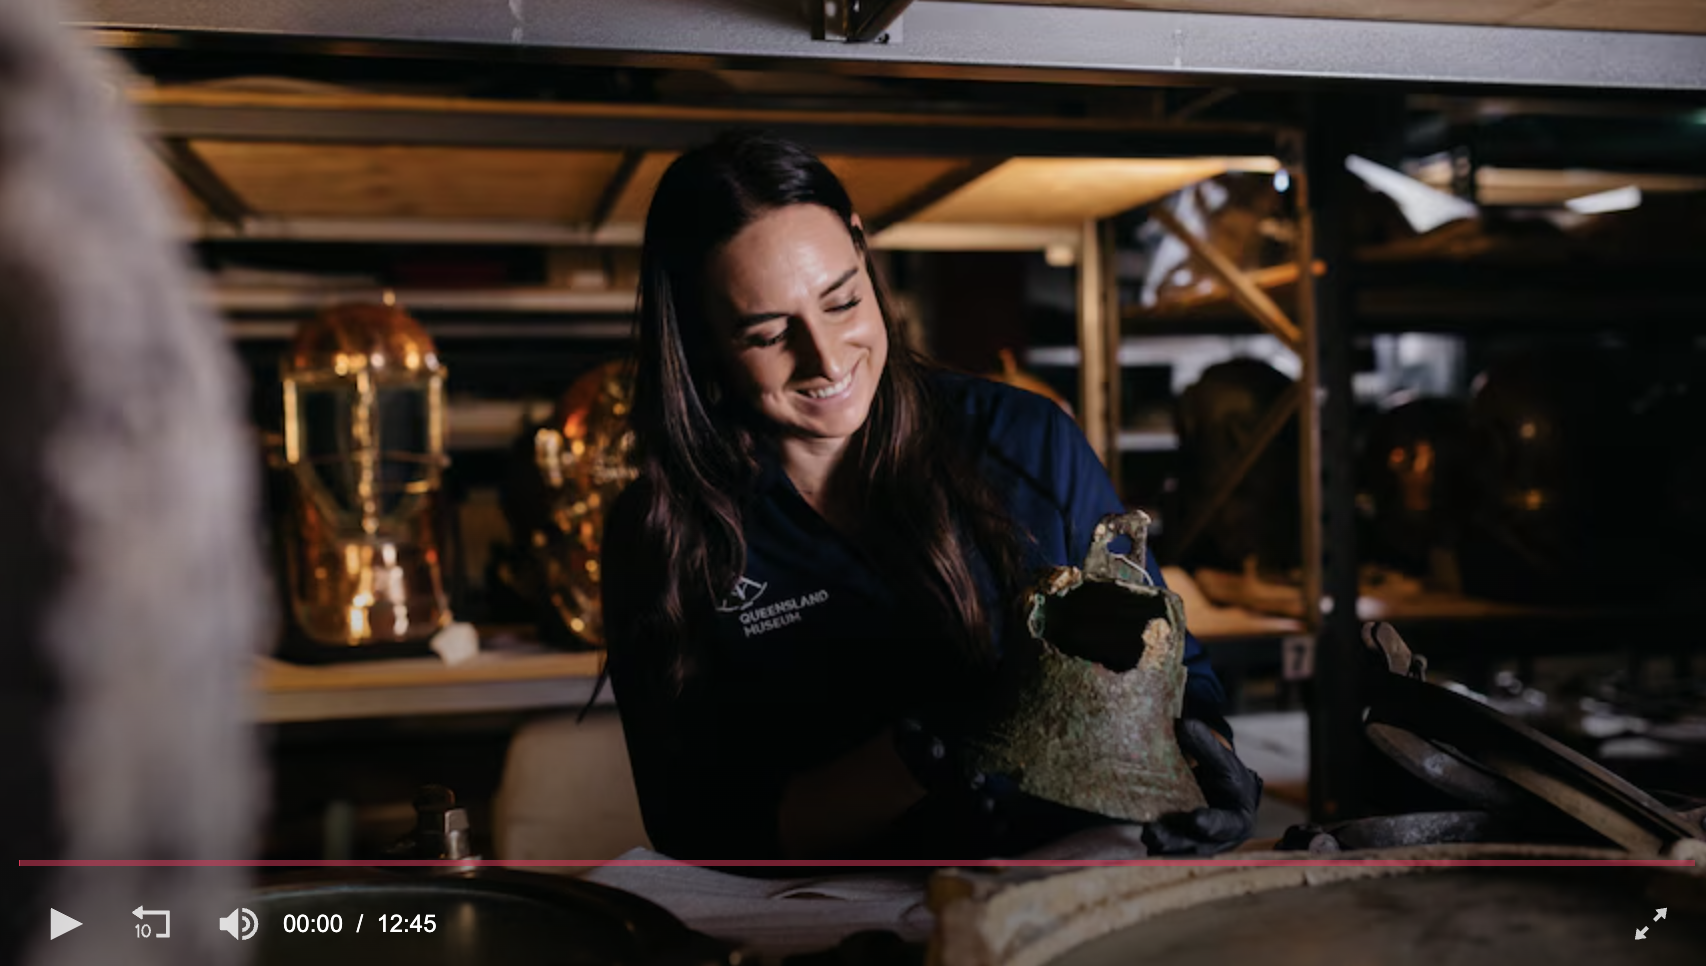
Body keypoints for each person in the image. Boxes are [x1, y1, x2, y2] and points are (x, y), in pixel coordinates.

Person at [601, 132, 1260, 861]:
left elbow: (1176, 677)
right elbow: (693, 826)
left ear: (862, 247)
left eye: (843, 301)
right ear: (699, 337)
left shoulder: (1026, 441)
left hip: (1070, 883)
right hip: (836, 910)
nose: (827, 359)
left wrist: (1209, 768)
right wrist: (916, 759)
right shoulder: (663, 533)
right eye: (767, 335)